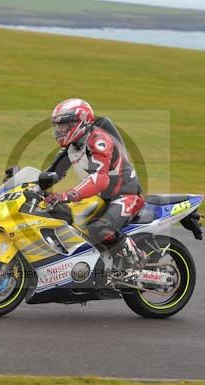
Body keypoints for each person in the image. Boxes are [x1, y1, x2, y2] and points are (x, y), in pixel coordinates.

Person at [44, 98, 146, 276]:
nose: (59, 130)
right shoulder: (72, 147)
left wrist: (68, 195)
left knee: (100, 229)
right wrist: (24, 185)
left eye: (63, 125)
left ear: (79, 122)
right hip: (101, 198)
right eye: (57, 126)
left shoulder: (99, 140)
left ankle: (137, 261)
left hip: (126, 195)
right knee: (69, 221)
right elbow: (52, 174)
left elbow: (100, 179)